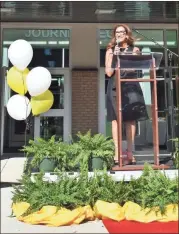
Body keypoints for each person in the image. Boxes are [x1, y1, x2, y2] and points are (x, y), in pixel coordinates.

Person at [105, 24, 148, 165]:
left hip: (130, 86)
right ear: (114, 35)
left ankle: (130, 152)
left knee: (130, 119)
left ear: (127, 34)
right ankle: (117, 153)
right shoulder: (110, 51)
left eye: (122, 32)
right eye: (117, 32)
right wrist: (115, 55)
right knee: (115, 120)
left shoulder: (135, 50)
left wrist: (122, 55)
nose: (119, 34)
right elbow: (109, 72)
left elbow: (133, 69)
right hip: (115, 87)